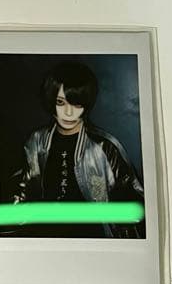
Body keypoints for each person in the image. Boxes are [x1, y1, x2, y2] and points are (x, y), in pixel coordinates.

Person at [8, 60, 145, 238]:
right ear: (51, 101)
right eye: (61, 102)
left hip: (92, 237)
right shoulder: (36, 141)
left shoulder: (104, 146)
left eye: (76, 104)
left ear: (86, 104)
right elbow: (21, 193)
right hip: (44, 235)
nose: (68, 112)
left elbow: (136, 201)